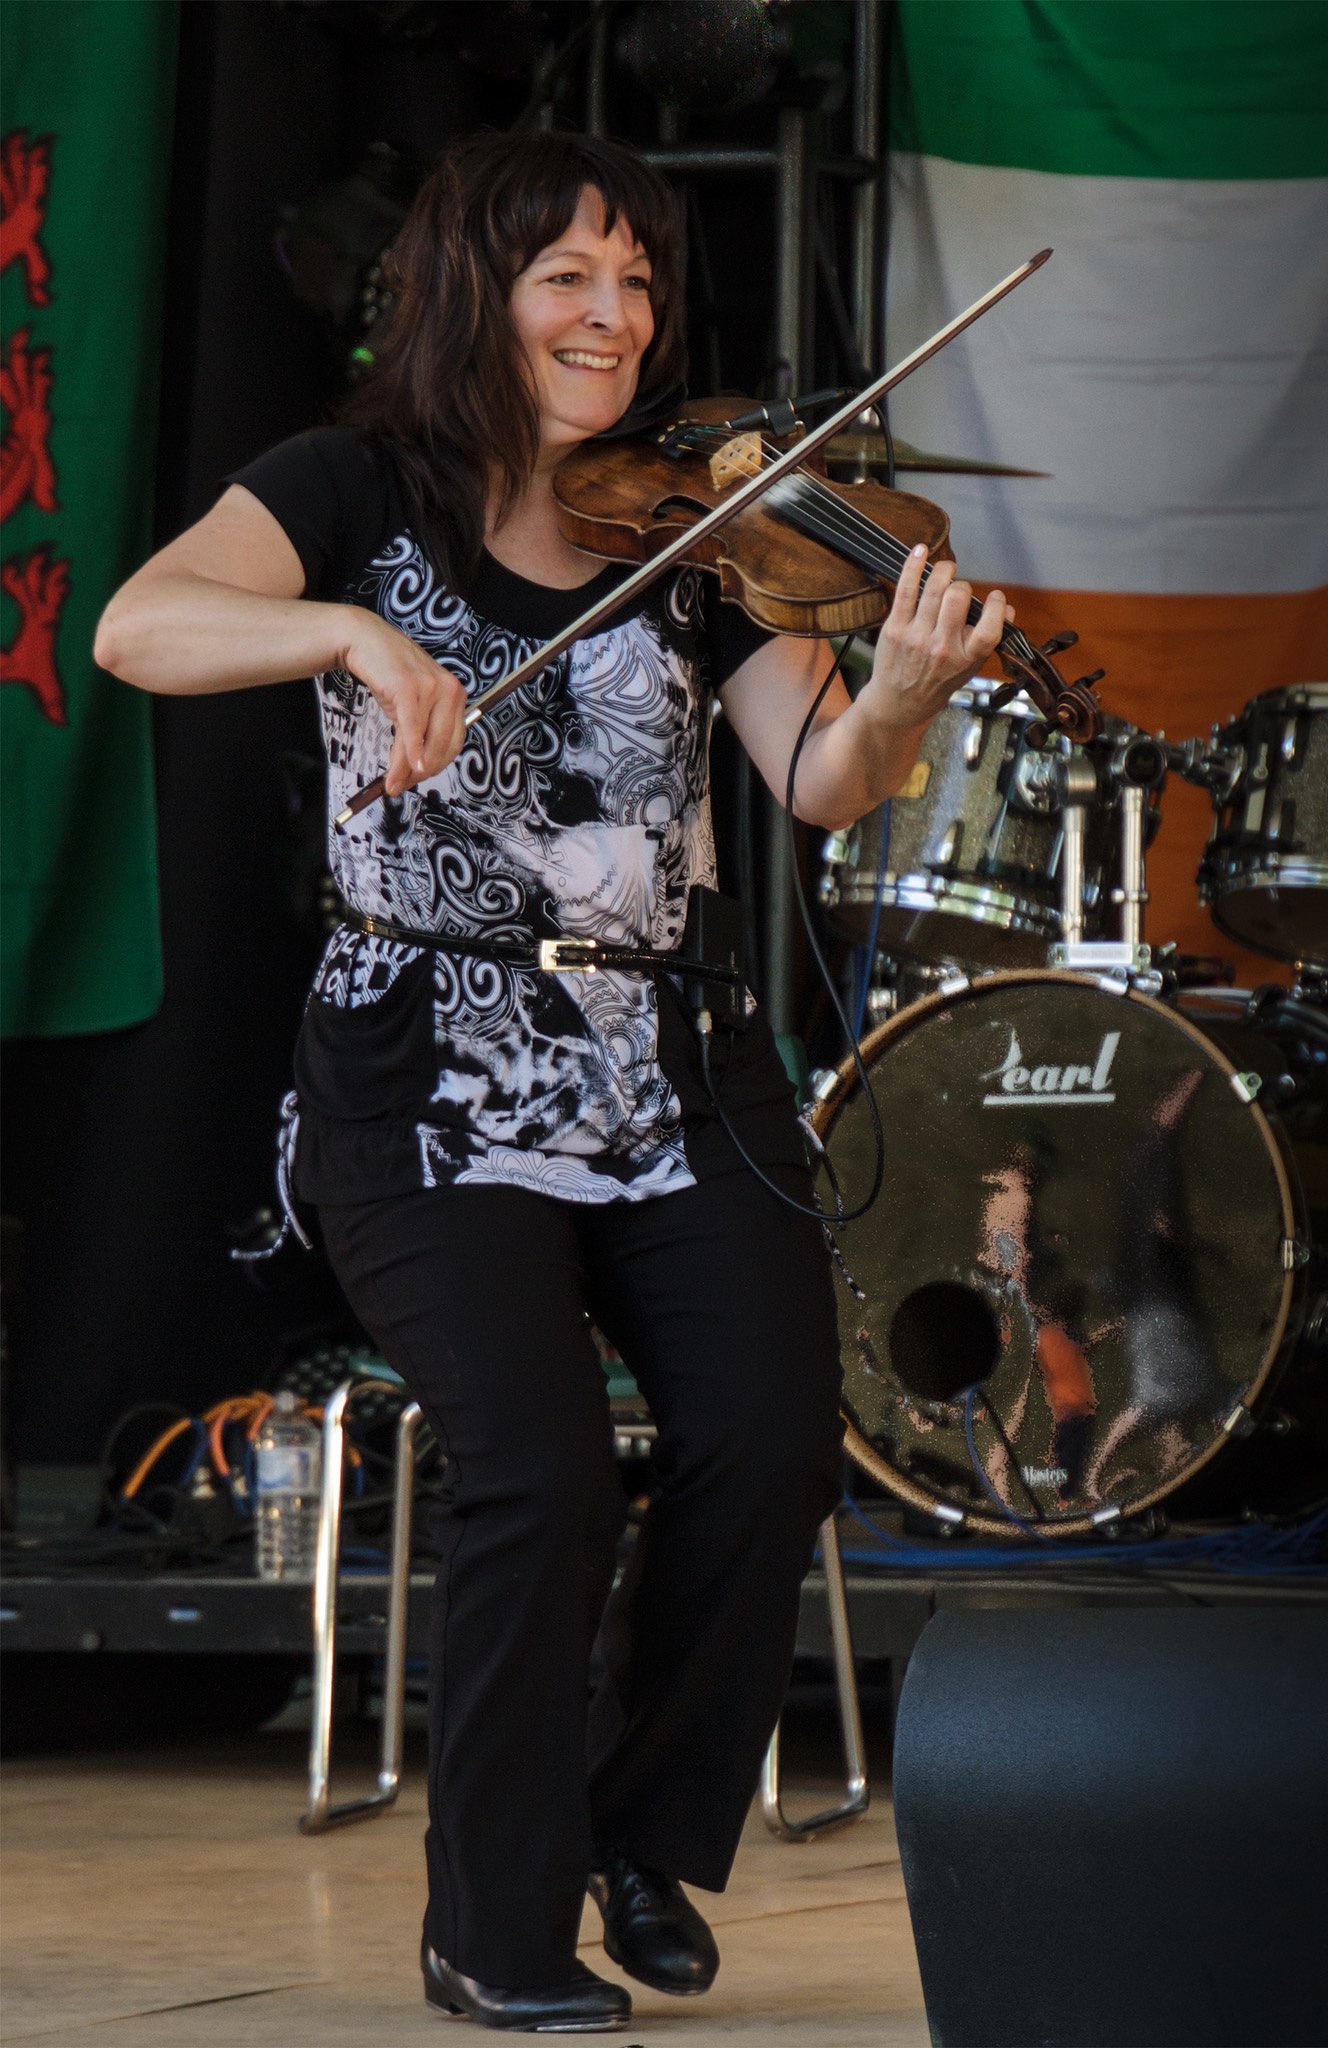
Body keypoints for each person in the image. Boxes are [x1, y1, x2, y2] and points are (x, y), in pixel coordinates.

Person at [96, 129, 1010, 2034]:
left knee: (768, 1433)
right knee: (533, 1469)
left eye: (642, 281)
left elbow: (821, 783)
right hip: (424, 1077)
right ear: (476, 294)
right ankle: (491, 1931)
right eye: (570, 278)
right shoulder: (353, 485)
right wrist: (343, 624)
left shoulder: (685, 525)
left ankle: (627, 1835)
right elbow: (139, 627)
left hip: (671, 1064)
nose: (618, 316)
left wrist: (904, 691)